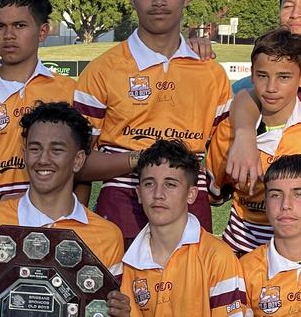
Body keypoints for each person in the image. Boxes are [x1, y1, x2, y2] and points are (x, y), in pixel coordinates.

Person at [0, 0, 136, 229]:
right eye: (0, 26)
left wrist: (73, 225)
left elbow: (82, 168)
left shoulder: (69, 91)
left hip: (55, 227)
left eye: (20, 26)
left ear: (42, 31)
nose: (9, 35)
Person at [74, 0, 232, 249]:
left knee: (190, 293)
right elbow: (75, 161)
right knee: (119, 294)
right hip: (122, 202)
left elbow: (222, 159)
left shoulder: (211, 73)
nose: (158, 1)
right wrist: (139, 160)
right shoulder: (102, 70)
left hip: (190, 202)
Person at [0, 101, 130, 317]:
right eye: (35, 149)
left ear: (78, 160)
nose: (43, 159)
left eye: (57, 150)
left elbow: (106, 308)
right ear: (24, 154)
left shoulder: (107, 236)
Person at [123, 139, 247, 316]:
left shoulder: (217, 257)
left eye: (170, 184)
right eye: (149, 183)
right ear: (139, 194)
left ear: (191, 194)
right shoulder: (129, 262)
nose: (158, 194)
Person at [206, 28, 301, 255]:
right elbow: (213, 194)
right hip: (240, 248)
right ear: (251, 74)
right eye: (262, 75)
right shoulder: (229, 130)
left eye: (284, 77)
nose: (271, 87)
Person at [220, 0, 301, 196]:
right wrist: (245, 134)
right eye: (288, 6)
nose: (295, 15)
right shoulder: (268, 67)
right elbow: (246, 93)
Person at [240, 155, 301, 316]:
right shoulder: (245, 271)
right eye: (276, 195)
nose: (285, 205)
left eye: (298, 194)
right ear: (265, 204)